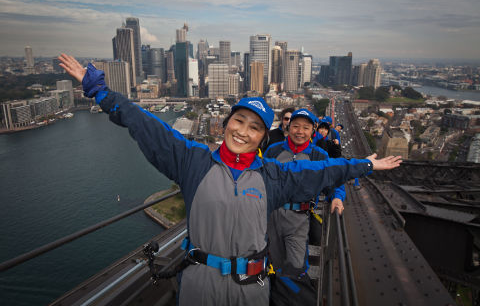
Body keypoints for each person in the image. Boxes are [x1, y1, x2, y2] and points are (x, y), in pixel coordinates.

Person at [58, 54, 402, 306]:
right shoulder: (193, 161)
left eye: (255, 127)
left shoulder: (273, 176)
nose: (243, 131)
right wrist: (100, 93)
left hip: (251, 285)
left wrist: (365, 166)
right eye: (238, 121)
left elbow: (325, 171)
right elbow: (146, 126)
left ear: (262, 137)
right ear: (226, 124)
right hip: (199, 283)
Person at [264, 109, 345, 306]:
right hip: (272, 215)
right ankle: (275, 298)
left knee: (296, 265)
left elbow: (335, 178)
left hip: (299, 217)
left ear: (313, 130)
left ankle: (294, 299)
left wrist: (337, 197)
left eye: (306, 127)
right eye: (296, 126)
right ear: (288, 127)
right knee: (271, 262)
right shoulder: (274, 151)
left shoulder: (318, 155)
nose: (300, 131)